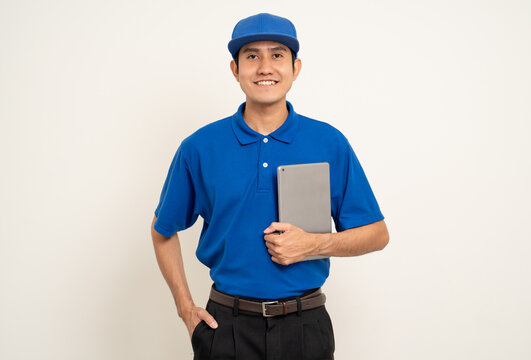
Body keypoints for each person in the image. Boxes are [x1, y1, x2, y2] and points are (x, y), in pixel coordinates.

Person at [150, 12, 389, 360]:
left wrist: (313, 244)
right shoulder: (199, 147)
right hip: (226, 329)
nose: (265, 67)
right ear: (235, 69)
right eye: (252, 56)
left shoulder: (329, 143)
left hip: (306, 328)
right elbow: (162, 231)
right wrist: (186, 309)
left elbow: (377, 234)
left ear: (296, 68)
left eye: (277, 55)